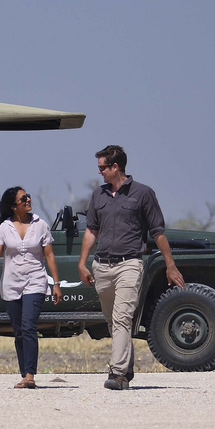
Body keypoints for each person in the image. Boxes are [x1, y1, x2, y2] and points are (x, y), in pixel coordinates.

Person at [78, 144, 185, 390]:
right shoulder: (98, 195)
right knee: (112, 322)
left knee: (122, 319)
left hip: (130, 265)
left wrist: (170, 265)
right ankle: (127, 368)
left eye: (102, 168)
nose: (99, 172)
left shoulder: (143, 193)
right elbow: (91, 231)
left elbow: (158, 233)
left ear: (116, 167)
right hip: (102, 267)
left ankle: (117, 374)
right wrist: (82, 263)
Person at [0, 186, 61, 388]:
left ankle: (29, 376)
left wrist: (56, 283)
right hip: (11, 284)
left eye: (27, 196)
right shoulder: (3, 228)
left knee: (29, 327)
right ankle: (24, 372)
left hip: (35, 281)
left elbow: (49, 255)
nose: (28, 199)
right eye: (23, 198)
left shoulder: (40, 225)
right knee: (19, 331)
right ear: (13, 205)